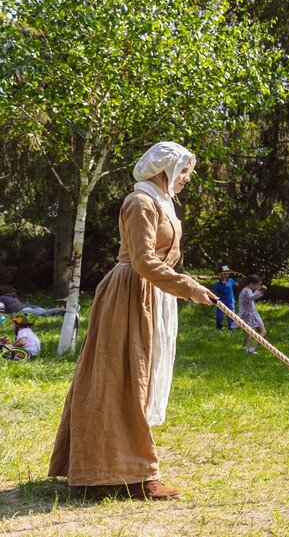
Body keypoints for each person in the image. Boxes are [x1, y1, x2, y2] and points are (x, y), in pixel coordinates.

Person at [50, 141, 218, 500]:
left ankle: (119, 469)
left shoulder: (161, 202)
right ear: (164, 170)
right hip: (129, 294)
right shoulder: (140, 201)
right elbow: (143, 259)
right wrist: (189, 287)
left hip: (149, 294)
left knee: (137, 378)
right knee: (123, 379)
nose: (188, 178)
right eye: (184, 171)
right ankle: (127, 474)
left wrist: (182, 288)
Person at [237, 275, 267, 355]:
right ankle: (251, 349)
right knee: (262, 331)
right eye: (257, 285)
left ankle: (244, 348)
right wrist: (261, 291)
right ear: (251, 284)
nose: (258, 287)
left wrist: (260, 290)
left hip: (248, 313)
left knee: (249, 332)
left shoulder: (245, 290)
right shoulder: (247, 291)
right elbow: (252, 297)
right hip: (250, 314)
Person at [0, 286, 65, 317]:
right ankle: (59, 310)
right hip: (30, 306)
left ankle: (60, 309)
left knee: (43, 314)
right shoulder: (14, 297)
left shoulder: (2, 298)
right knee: (45, 313)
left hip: (23, 310)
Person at [210, 267, 237, 331]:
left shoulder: (230, 281)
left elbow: (237, 286)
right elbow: (212, 293)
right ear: (220, 274)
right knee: (219, 316)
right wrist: (213, 298)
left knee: (231, 315)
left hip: (230, 302)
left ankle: (231, 328)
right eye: (224, 273)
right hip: (221, 302)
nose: (225, 275)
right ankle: (219, 328)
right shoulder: (218, 285)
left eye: (227, 273)